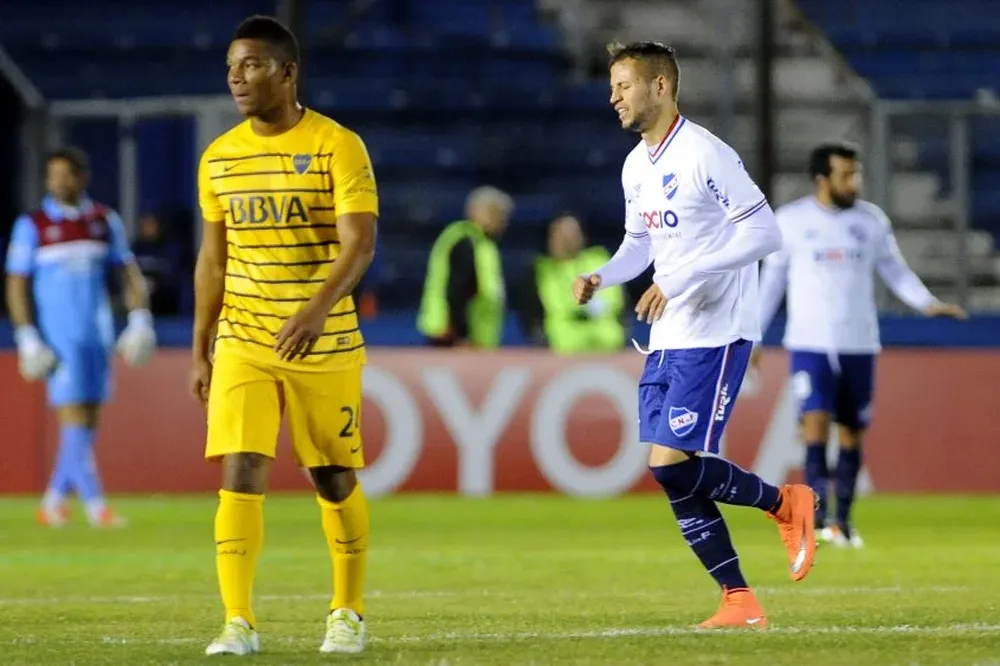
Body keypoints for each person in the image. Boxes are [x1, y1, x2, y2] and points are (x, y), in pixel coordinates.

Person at [573, 41, 818, 631]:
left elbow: (764, 235)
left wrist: (680, 277)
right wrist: (603, 276)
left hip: (716, 329)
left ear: (659, 86)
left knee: (669, 464)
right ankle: (739, 597)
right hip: (667, 334)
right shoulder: (635, 166)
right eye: (612, 87)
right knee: (671, 471)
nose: (613, 97)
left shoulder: (707, 154)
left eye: (624, 85)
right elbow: (639, 245)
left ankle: (784, 505)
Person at [190, 15, 377, 657]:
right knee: (241, 467)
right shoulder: (218, 157)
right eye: (231, 68)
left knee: (332, 477)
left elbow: (360, 243)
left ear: (287, 72)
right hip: (244, 338)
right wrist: (201, 346)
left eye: (251, 65)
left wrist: (317, 309)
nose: (237, 78)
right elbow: (212, 261)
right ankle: (237, 621)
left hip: (324, 342)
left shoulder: (336, 146)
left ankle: (347, 612)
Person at [753, 141, 967, 548]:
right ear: (822, 179)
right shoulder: (791, 221)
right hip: (809, 343)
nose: (856, 182)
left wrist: (926, 303)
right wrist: (755, 336)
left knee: (852, 431)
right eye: (846, 175)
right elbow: (771, 284)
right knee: (814, 423)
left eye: (856, 174)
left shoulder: (871, 221)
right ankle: (817, 520)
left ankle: (844, 522)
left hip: (859, 343)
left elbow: (895, 270)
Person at [4, 147, 156, 528]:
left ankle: (53, 501)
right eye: (52, 175)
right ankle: (96, 506)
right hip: (59, 338)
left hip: (97, 335)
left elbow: (128, 272)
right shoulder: (33, 225)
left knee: (87, 419)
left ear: (81, 177)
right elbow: (16, 284)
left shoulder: (103, 220)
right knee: (73, 417)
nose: (58, 182)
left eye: (65, 175)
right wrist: (26, 335)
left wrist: (140, 318)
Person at [516, 213, 626, 353]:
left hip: (609, 348)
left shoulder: (600, 261)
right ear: (550, 239)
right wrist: (543, 346)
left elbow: (623, 308)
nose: (567, 240)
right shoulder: (539, 271)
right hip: (561, 350)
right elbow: (531, 316)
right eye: (562, 235)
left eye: (573, 234)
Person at [416, 185, 512, 348]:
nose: (502, 221)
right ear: (477, 211)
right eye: (497, 213)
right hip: (453, 334)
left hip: (474, 335)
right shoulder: (465, 242)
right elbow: (457, 290)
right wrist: (462, 334)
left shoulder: (481, 243)